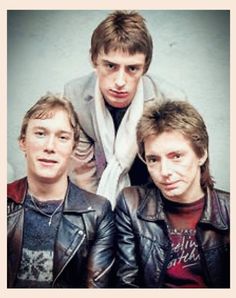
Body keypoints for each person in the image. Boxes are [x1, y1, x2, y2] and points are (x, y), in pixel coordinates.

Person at [64, 10, 186, 207]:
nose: (120, 81)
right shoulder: (75, 95)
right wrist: (98, 216)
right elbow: (82, 172)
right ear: (94, 60)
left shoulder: (171, 101)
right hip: (99, 193)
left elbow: (176, 171)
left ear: (145, 67)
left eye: (132, 68)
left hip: (156, 194)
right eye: (110, 66)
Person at [115, 100, 230, 288]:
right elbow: (127, 283)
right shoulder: (131, 203)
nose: (165, 171)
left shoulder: (228, 210)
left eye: (176, 156)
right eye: (153, 159)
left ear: (201, 154)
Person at [7, 94, 115, 288]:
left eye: (62, 137)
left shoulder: (97, 212)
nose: (50, 147)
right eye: (40, 133)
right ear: (22, 142)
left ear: (73, 148)